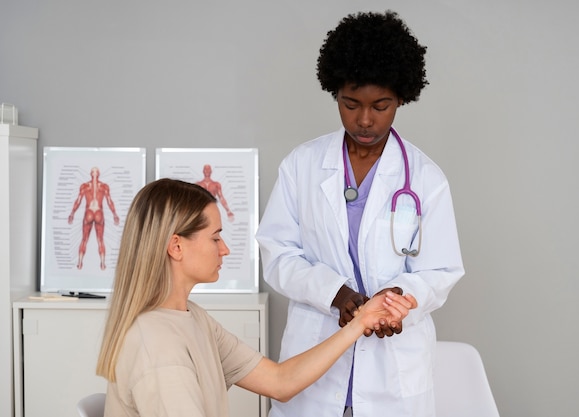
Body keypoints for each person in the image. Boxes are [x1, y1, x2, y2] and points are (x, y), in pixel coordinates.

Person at [256, 10, 464, 417]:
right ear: (335, 93)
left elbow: (440, 271)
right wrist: (335, 294)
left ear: (402, 97)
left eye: (381, 106)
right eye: (351, 104)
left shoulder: (425, 178)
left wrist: (399, 301)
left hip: (393, 372)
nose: (365, 119)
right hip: (314, 359)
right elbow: (277, 253)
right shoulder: (302, 165)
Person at [95, 178, 417, 417]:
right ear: (176, 246)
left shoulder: (191, 318)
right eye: (215, 238)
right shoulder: (157, 345)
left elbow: (280, 381)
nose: (225, 249)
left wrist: (360, 322)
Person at [68, 166, 120, 270]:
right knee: (100, 240)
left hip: (89, 212)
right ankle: (102, 263)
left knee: (84, 239)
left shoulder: (85, 186)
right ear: (98, 174)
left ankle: (79, 262)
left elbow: (78, 200)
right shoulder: (104, 187)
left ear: (91, 174)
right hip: (99, 213)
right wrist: (114, 214)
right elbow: (109, 201)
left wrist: (72, 213)